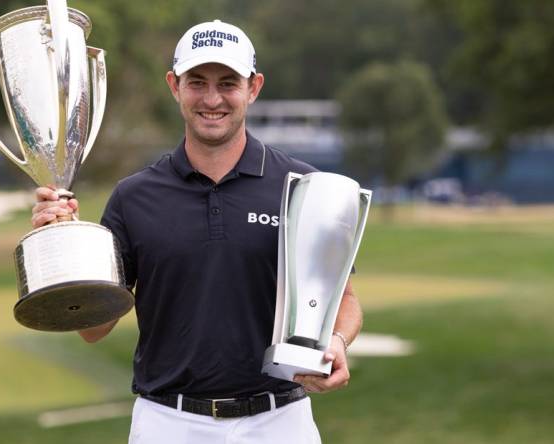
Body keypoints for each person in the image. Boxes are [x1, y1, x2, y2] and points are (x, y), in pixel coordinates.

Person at [32, 19, 362, 444]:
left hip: (279, 421)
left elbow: (346, 300)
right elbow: (92, 329)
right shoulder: (134, 198)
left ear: (254, 87)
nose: (212, 99)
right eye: (197, 82)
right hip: (168, 422)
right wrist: (63, 245)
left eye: (228, 83)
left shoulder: (302, 187)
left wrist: (338, 342)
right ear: (174, 85)